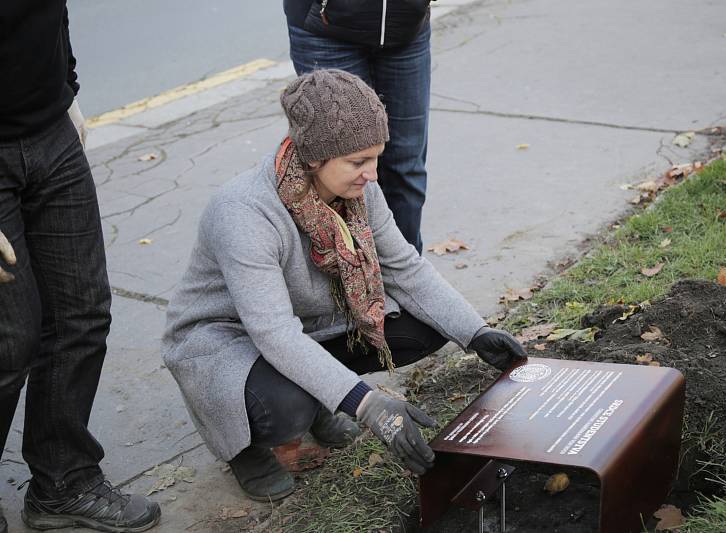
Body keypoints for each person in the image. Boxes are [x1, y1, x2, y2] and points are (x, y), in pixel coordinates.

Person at [162, 69, 527, 501]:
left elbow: (405, 268)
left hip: (307, 322)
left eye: (375, 158)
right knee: (285, 411)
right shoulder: (243, 213)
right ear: (315, 158)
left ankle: (318, 396)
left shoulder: (356, 189)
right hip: (227, 339)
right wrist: (366, 404)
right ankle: (245, 447)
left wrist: (475, 331)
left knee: (425, 327)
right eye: (358, 162)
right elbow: (272, 333)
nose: (371, 174)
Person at [0, 3, 161, 532]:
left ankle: (63, 482)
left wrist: (66, 88)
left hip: (51, 130)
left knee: (82, 314)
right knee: (10, 339)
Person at [283, 0, 433, 254]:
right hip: (325, 25)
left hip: (407, 23)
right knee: (338, 169)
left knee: (406, 168)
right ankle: (347, 281)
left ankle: (405, 280)